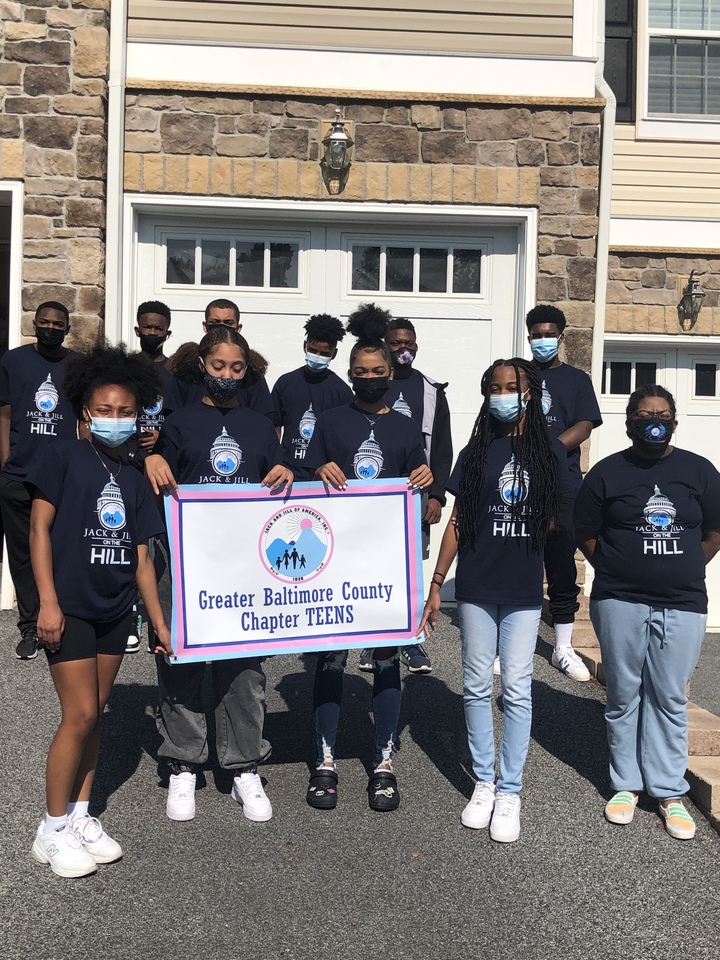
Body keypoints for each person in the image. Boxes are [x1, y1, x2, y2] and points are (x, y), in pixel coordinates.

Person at [28, 344, 172, 878]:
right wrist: (45, 601)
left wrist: (157, 622)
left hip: (115, 611)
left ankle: (83, 816)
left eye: (126, 411)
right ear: (86, 409)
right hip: (70, 608)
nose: (116, 419)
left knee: (98, 716)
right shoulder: (62, 456)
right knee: (80, 715)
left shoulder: (134, 477)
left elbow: (140, 559)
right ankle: (51, 828)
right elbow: (38, 528)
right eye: (105, 410)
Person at [145, 326, 293, 824]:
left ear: (246, 370)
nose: (227, 375)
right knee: (180, 658)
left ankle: (243, 764)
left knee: (245, 668)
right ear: (202, 365)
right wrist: (153, 457)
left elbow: (279, 482)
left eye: (236, 368)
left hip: (245, 568)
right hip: (185, 562)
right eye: (218, 366)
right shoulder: (178, 422)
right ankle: (184, 762)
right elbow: (152, 472)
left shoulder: (258, 426)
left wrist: (288, 472)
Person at [419, 358, 568, 843]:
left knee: (519, 688)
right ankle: (484, 782)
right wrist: (437, 582)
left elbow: (556, 520)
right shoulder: (477, 451)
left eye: (513, 387)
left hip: (523, 591)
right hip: (478, 587)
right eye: (495, 388)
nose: (504, 394)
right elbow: (459, 521)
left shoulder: (548, 452)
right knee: (477, 684)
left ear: (530, 393)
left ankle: (511, 791)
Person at [574, 384, 720, 840]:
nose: (652, 421)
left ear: (674, 421)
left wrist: (685, 567)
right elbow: (585, 531)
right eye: (642, 414)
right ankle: (626, 784)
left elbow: (715, 531)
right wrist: (619, 569)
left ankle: (669, 792)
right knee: (624, 693)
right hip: (620, 599)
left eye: (660, 414)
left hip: (684, 601)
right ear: (629, 422)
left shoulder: (700, 471)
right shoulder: (606, 473)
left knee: (669, 696)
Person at [303, 308, 433, 813]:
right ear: (351, 373)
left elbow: (422, 483)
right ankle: (326, 759)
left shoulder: (404, 430)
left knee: (385, 658)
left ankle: (383, 761)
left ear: (389, 374)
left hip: (386, 564)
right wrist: (317, 465)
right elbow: (299, 474)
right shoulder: (331, 422)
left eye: (380, 372)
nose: (371, 378)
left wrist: (426, 481)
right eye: (362, 372)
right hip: (335, 560)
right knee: (332, 657)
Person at [524, 304, 602, 683]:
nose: (542, 341)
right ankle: (514, 646)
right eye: (535, 335)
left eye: (548, 334)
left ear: (561, 336)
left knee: (560, 564)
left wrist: (550, 447)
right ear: (528, 338)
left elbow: (585, 424)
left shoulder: (576, 379)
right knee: (519, 561)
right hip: (519, 482)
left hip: (563, 485)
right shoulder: (517, 375)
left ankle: (562, 648)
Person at [372, 312, 453, 675]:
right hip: (372, 497)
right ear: (385, 347)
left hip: (414, 495)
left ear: (416, 346)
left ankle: (410, 640)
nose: (403, 349)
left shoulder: (431, 390)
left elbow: (443, 449)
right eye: (396, 343)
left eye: (408, 343)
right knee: (372, 564)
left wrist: (437, 495)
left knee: (409, 567)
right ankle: (375, 640)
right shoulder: (374, 383)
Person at [0, 301, 80, 660]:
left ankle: (62, 617)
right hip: (19, 473)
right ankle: (30, 627)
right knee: (21, 554)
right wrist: (6, 461)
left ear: (67, 328)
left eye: (57, 324)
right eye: (44, 322)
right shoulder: (13, 361)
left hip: (59, 476)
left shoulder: (76, 365)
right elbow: (4, 413)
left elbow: (84, 417)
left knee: (60, 548)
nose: (50, 328)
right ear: (34, 323)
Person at [269, 313, 353, 473]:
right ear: (304, 346)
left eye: (325, 354)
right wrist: (274, 464)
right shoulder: (285, 383)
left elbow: (344, 437)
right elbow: (274, 427)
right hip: (287, 473)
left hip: (324, 477)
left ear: (334, 354)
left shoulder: (342, 391)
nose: (318, 357)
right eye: (313, 350)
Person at [173, 298, 274, 419]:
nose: (221, 328)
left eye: (228, 323)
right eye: (215, 322)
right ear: (205, 326)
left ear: (238, 327)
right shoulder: (186, 368)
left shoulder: (251, 371)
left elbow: (267, 420)